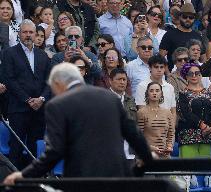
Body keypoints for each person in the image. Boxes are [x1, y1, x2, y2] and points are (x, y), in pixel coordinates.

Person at [3, 63, 153, 184]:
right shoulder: (109, 98)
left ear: (58, 83)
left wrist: (24, 175)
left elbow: (55, 150)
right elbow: (135, 135)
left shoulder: (57, 105)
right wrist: (146, 161)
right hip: (117, 177)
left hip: (81, 180)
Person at [2, 19, 51, 170]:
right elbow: (9, 79)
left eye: (31, 32)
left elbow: (49, 80)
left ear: (36, 34)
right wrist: (28, 99)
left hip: (39, 110)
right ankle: (15, 182)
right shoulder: (9, 53)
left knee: (35, 148)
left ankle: (34, 182)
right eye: (25, 32)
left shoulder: (43, 55)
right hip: (18, 109)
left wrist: (41, 99)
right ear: (19, 34)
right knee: (16, 147)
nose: (28, 35)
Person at [177, 63, 211, 158]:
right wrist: (202, 125)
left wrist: (209, 127)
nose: (194, 76)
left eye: (197, 73)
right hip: (188, 136)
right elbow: (186, 113)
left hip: (206, 135)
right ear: (186, 76)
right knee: (189, 170)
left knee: (206, 169)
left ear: (201, 75)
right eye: (190, 74)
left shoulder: (209, 92)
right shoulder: (182, 94)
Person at [159, 3, 206, 71]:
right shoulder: (169, 34)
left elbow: (203, 59)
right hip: (175, 76)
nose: (188, 19)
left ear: (194, 19)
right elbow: (161, 58)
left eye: (191, 17)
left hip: (193, 75)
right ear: (180, 17)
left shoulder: (197, 35)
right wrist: (168, 74)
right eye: (185, 16)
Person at [137, 82, 174, 158]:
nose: (154, 93)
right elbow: (139, 136)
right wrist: (151, 148)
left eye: (157, 91)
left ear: (161, 93)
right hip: (148, 154)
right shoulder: (141, 112)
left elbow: (171, 133)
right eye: (151, 91)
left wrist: (169, 146)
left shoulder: (167, 112)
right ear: (147, 93)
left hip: (165, 154)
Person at [135, 54, 176, 122]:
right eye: (156, 67)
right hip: (149, 127)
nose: (159, 70)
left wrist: (171, 129)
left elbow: (173, 112)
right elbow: (141, 110)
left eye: (161, 67)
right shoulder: (142, 86)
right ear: (150, 68)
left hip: (167, 126)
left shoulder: (170, 87)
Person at [109, 68, 137, 162]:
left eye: (124, 80)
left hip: (130, 153)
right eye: (119, 79)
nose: (122, 82)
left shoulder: (131, 100)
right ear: (110, 81)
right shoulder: (102, 98)